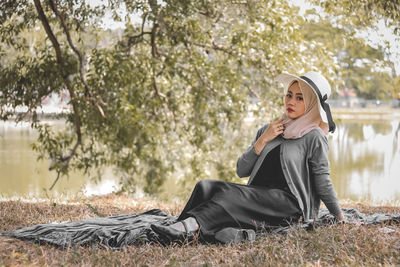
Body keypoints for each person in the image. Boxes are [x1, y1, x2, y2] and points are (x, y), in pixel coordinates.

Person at [151, 71, 345, 243]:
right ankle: (180, 230)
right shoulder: (269, 129)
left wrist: (338, 215)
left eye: (300, 98)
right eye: (289, 95)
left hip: (289, 207)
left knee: (229, 196)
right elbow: (241, 170)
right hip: (257, 198)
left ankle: (186, 228)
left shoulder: (314, 136)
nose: (291, 101)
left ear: (311, 104)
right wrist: (263, 140)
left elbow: (322, 179)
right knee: (206, 186)